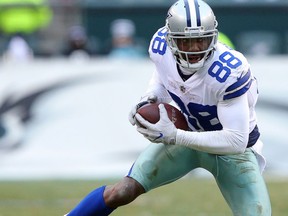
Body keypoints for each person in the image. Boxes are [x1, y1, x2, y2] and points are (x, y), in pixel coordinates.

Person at [65, 0, 271, 215]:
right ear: (171, 39)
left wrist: (176, 136)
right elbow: (163, 77)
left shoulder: (228, 71)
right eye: (186, 42)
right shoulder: (161, 47)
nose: (194, 49)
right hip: (187, 133)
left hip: (231, 151)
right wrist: (151, 97)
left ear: (213, 37)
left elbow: (236, 140)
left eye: (201, 40)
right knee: (122, 191)